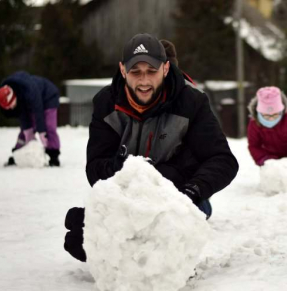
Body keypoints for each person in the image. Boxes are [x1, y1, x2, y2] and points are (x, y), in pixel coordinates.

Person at [63, 33, 238, 262]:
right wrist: (110, 208)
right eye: (135, 71)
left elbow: (223, 160)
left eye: (151, 71)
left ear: (165, 69)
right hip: (126, 196)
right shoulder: (105, 103)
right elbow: (95, 167)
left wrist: (190, 193)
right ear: (123, 70)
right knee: (86, 240)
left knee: (171, 236)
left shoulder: (192, 102)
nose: (144, 80)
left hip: (178, 193)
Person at [0, 72, 61, 166]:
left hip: (48, 96)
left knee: (49, 126)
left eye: (11, 106)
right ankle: (18, 151)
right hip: (34, 101)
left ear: (13, 98)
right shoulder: (15, 92)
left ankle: (53, 153)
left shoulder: (29, 90)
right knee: (26, 129)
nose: (12, 108)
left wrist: (41, 132)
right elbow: (24, 116)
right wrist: (28, 133)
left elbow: (38, 110)